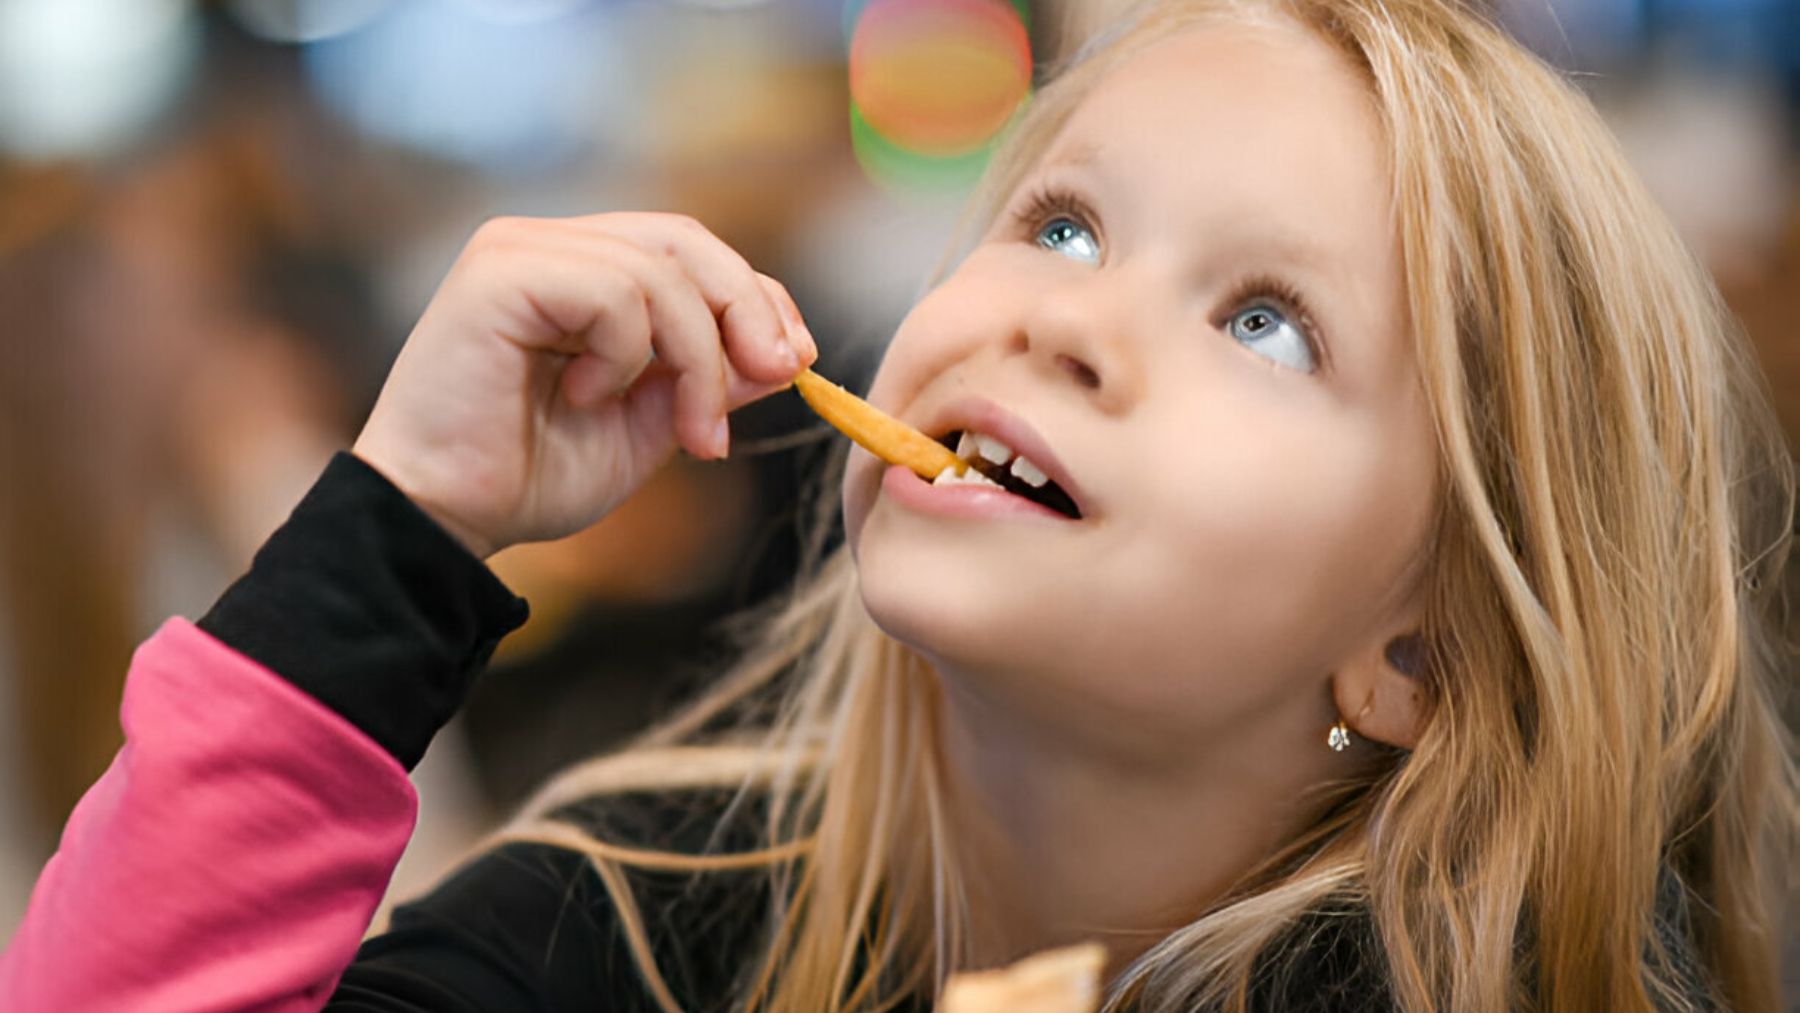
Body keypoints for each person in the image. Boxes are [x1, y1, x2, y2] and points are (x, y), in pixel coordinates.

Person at [3, 0, 1793, 1010]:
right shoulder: (616, 926)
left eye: (1265, 320)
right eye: (1062, 224)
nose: (1065, 317)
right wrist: (398, 528)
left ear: (1419, 646)